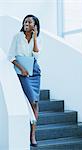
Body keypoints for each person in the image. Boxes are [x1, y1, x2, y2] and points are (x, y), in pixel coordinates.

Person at [8, 14, 41, 147]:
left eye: (29, 22)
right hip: (23, 72)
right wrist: (21, 69)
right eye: (25, 21)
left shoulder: (36, 38)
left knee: (35, 102)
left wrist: (35, 37)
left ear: (35, 26)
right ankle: (27, 130)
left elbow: (36, 55)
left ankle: (33, 135)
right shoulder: (17, 37)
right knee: (31, 99)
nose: (26, 23)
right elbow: (11, 56)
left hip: (34, 71)